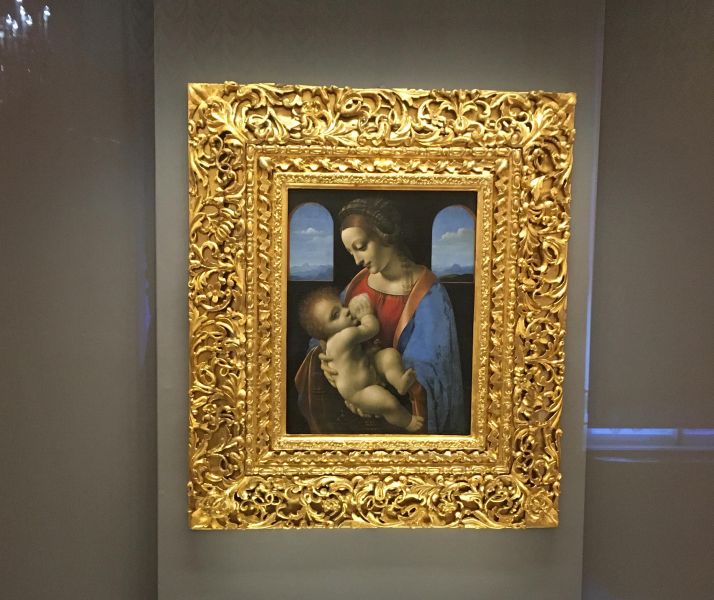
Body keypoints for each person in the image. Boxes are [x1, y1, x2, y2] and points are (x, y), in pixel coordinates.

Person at [295, 196, 467, 435]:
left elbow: (432, 369)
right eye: (350, 252)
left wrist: (379, 392)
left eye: (361, 247)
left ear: (385, 235)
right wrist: (328, 364)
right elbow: (322, 329)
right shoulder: (358, 284)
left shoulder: (428, 293)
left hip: (402, 410)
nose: (357, 261)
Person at [298, 288, 423, 432]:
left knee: (389, 356)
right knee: (389, 403)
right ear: (324, 332)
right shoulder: (345, 336)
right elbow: (372, 328)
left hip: (369, 367)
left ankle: (399, 382)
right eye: (335, 315)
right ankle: (408, 422)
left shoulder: (333, 340)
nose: (346, 311)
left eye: (342, 306)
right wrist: (366, 314)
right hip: (360, 391)